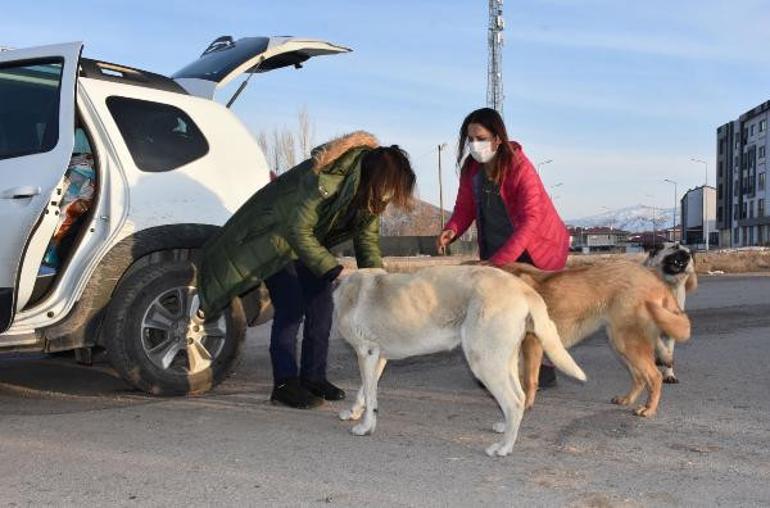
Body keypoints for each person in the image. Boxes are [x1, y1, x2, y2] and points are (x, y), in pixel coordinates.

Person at [197, 132, 416, 409]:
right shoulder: (325, 176)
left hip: (309, 242)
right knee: (291, 308)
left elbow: (367, 239)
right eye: (389, 189)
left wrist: (377, 281)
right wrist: (332, 270)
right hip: (276, 240)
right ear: (377, 177)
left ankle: (313, 377)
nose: (387, 199)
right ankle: (285, 384)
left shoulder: (369, 194)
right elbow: (296, 229)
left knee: (321, 309)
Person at [436, 108, 570, 387]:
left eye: (480, 138)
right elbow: (465, 208)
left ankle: (540, 371)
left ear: (498, 138)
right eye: (469, 139)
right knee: (499, 310)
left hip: (535, 248)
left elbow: (531, 221)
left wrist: (498, 262)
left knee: (533, 311)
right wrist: (452, 229)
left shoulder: (520, 167)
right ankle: (498, 370)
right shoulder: (471, 170)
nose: (474, 145)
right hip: (497, 249)